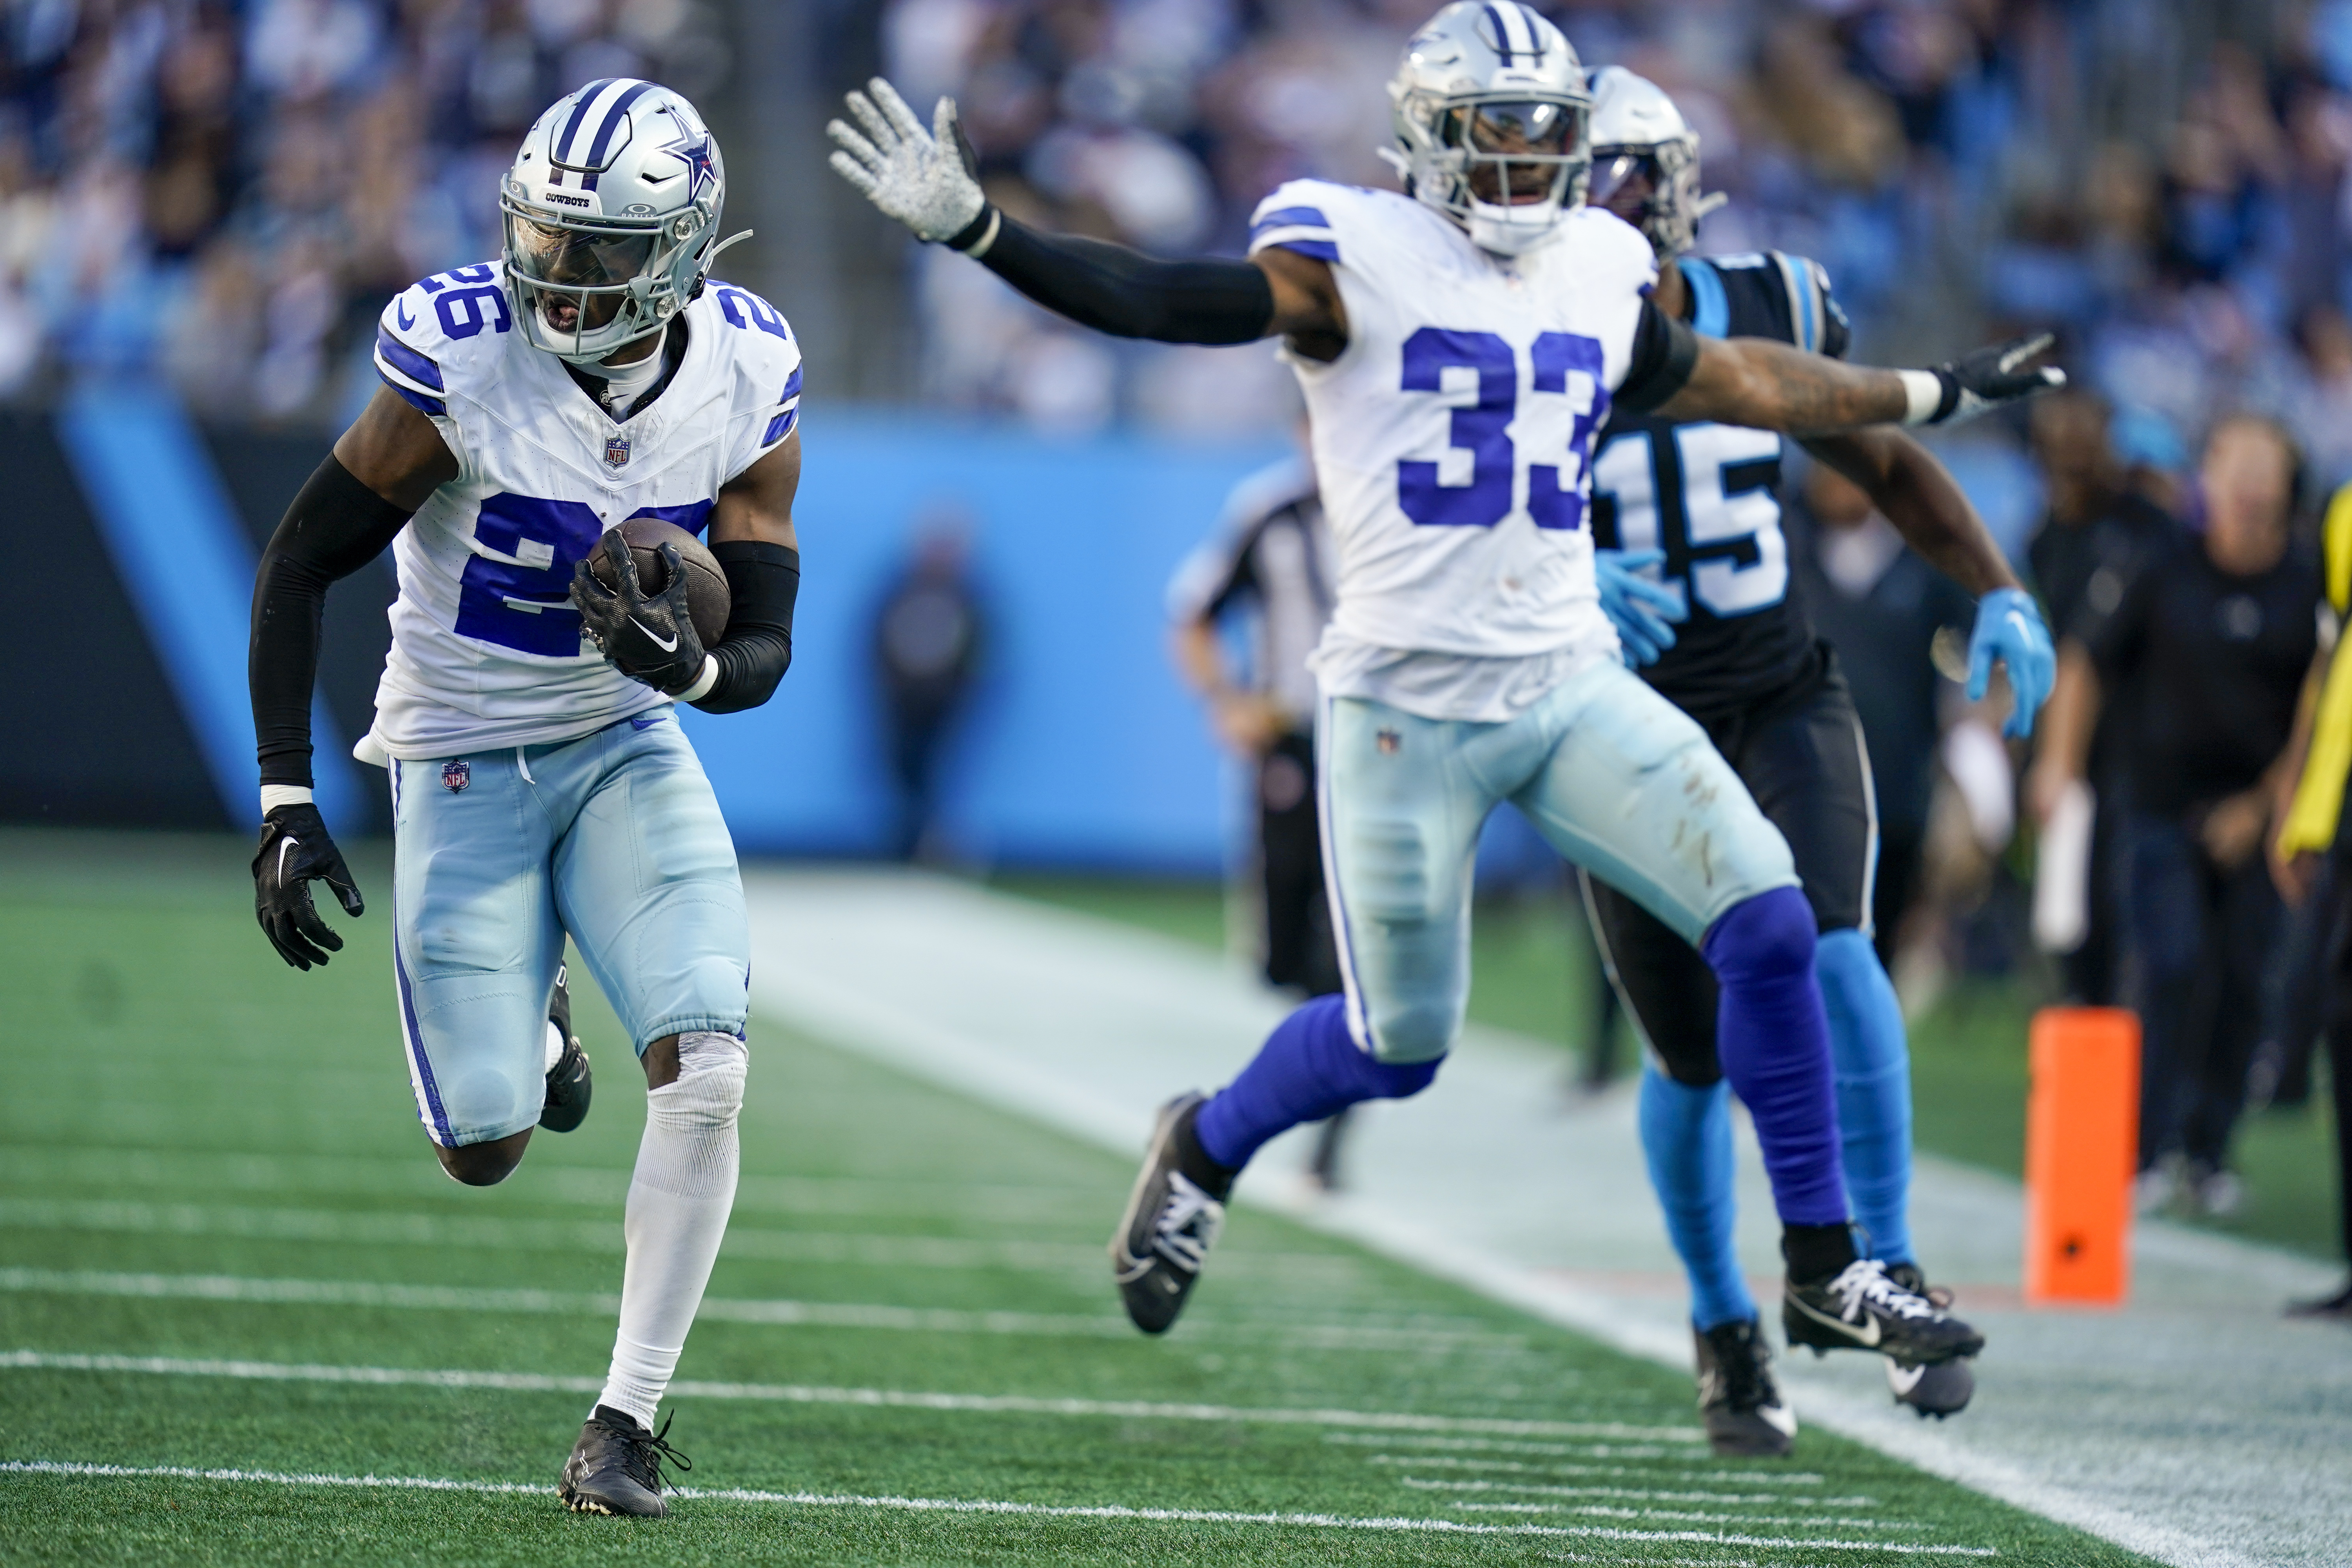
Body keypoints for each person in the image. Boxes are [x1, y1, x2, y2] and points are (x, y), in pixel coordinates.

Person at [831, 0, 2056, 1380]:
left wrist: (1932, 392)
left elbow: (1744, 381)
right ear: (1428, 138)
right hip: (1410, 712)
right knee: (1401, 1043)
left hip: (1568, 681)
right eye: (1499, 140)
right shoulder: (1356, 248)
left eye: (1550, 144)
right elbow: (1174, 301)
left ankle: (1829, 1267)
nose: (1528, 172)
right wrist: (988, 234)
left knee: (1771, 918)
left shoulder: (1599, 261)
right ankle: (1208, 1138)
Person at [245, 80, 804, 1518]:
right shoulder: (463, 359)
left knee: (714, 1062)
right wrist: (285, 795)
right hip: (460, 754)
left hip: (623, 745)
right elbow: (301, 562)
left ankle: (624, 1419)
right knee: (482, 1142)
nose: (560, 277)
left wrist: (686, 669)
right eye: (545, 241)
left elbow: (762, 651)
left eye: (600, 253)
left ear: (683, 253)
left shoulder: (745, 370)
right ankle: (541, 1037)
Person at [1573, 69, 2052, 1454]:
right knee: (1689, 1060)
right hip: (1619, 724)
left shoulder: (1773, 299)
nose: (1604, 205)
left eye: (1625, 177)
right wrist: (1559, 582)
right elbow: (1448, 516)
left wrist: (1994, 585)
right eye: (1581, 178)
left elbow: (1884, 458)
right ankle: (1726, 1322)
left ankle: (1883, 1268)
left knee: (1839, 950)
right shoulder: (1504, 331)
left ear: (1675, 188)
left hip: (1779, 686)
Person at [2042, 415, 2318, 1217]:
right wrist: (2060, 765)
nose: (2248, 485)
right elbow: (2087, 659)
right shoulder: (2159, 564)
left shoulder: (2305, 585)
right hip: (2158, 804)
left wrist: (2266, 804)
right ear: (2208, 477)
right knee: (2168, 963)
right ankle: (2144, 1144)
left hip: (2259, 815)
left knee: (2242, 978)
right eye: (2233, 464)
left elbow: (2317, 706)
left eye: (2264, 467)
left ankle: (2209, 1147)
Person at [1167, 448, 1350, 1185]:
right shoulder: (1270, 510)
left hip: (1384, 749)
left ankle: (1330, 1133)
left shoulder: (1410, 498)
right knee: (1287, 958)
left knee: (1351, 949)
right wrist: (1228, 702)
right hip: (1292, 743)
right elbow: (1192, 614)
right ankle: (1315, 1071)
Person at [2022, 391, 2180, 1006]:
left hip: (2133, 748)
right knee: (2075, 926)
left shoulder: (2138, 528)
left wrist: (2056, 761)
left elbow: (2085, 652)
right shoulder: (2047, 534)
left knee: (2119, 918)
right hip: (2082, 746)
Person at [2269, 479, 2352, 1319]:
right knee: (2344, 1022)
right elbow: (2330, 657)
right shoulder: (2347, 509)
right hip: (2345, 799)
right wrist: (2297, 790)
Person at [873, 515, 985, 860]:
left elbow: (977, 653)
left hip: (943, 707)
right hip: (902, 704)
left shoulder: (967, 598)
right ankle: (908, 842)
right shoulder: (901, 589)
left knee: (936, 774)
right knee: (901, 771)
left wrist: (954, 694)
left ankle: (931, 842)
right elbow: (879, 642)